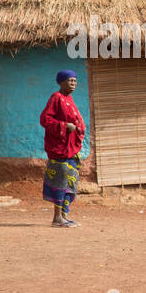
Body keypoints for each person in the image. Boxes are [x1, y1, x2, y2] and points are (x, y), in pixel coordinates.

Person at [40, 70, 86, 227]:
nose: (73, 83)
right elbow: (45, 119)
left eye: (75, 80)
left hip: (70, 150)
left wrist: (78, 127)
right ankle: (57, 217)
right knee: (60, 181)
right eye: (70, 81)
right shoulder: (56, 98)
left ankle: (64, 216)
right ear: (61, 82)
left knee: (70, 182)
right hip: (59, 149)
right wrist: (65, 126)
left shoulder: (69, 100)